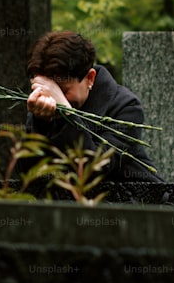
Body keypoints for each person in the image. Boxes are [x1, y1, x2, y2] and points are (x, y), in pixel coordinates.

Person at [25, 30, 163, 182]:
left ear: (90, 78)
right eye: (51, 91)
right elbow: (29, 173)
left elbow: (95, 168)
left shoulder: (126, 106)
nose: (55, 99)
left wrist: (68, 114)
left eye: (63, 91)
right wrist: (41, 123)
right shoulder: (44, 104)